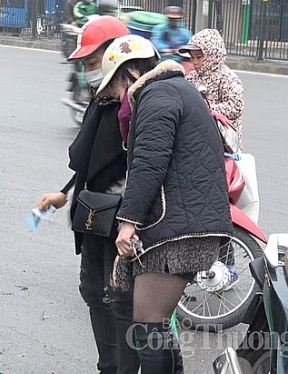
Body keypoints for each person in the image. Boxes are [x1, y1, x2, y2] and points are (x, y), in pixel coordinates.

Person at [95, 35, 233, 373]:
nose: (117, 99)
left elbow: (148, 165)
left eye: (113, 90)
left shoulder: (156, 97)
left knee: (148, 320)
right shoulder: (179, 90)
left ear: (126, 76)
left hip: (179, 229)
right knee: (154, 323)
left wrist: (128, 223)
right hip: (193, 222)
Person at [37, 16, 140, 374]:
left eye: (92, 62)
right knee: (94, 293)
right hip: (94, 216)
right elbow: (87, 158)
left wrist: (131, 223)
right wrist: (64, 193)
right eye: (84, 64)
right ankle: (107, 366)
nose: (88, 70)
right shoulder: (101, 100)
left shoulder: (136, 105)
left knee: (119, 299)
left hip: (122, 222)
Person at [179, 29, 244, 148]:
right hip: (198, 137)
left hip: (223, 141)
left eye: (199, 57)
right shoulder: (192, 77)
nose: (195, 62)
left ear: (212, 55)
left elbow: (236, 106)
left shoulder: (227, 78)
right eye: (192, 58)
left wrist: (206, 110)